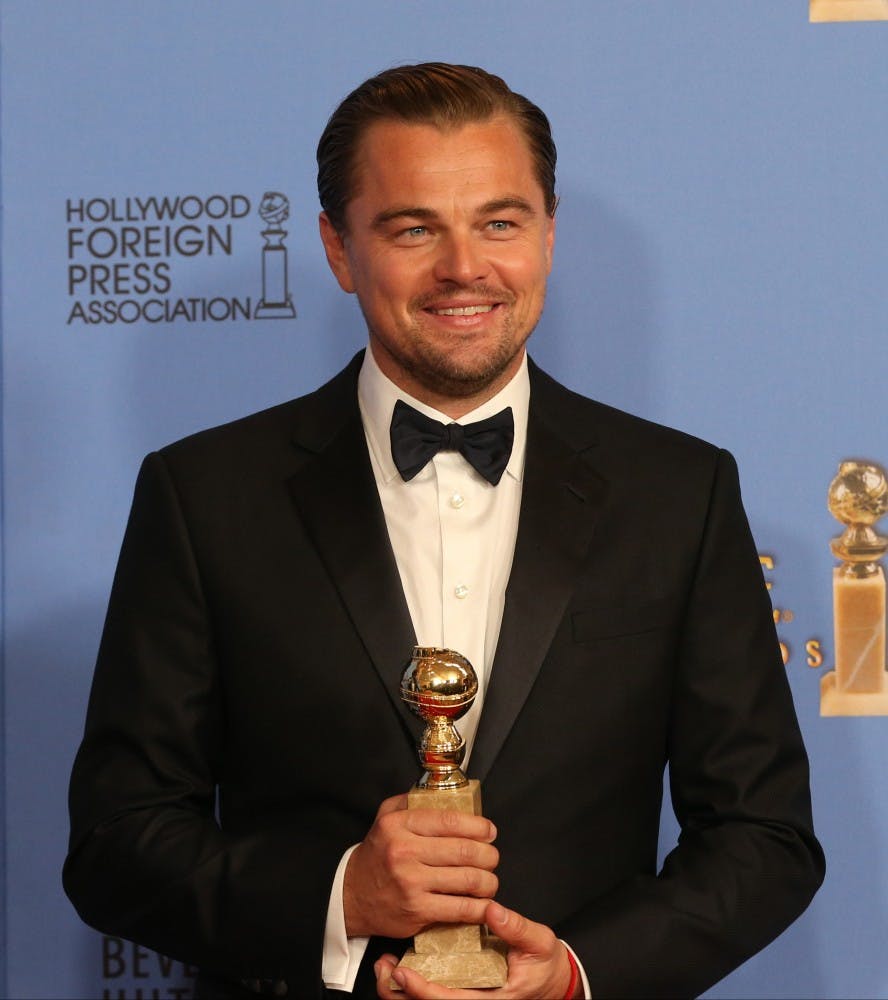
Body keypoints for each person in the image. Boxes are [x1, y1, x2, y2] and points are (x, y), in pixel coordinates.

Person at [64, 63, 824, 999]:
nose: (465, 266)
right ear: (340, 250)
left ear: (548, 236)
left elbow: (766, 837)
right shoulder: (205, 494)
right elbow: (116, 841)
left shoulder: (680, 491)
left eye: (500, 222)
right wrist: (344, 898)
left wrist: (580, 974)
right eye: (413, 227)